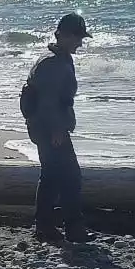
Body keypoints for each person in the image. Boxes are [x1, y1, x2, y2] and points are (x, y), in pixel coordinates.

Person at [19, 13, 92, 243]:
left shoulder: (56, 59)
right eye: (78, 37)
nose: (80, 43)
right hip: (49, 128)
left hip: (43, 127)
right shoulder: (53, 63)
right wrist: (57, 129)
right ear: (65, 35)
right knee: (71, 177)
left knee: (51, 176)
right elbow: (49, 101)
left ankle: (45, 227)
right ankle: (73, 228)